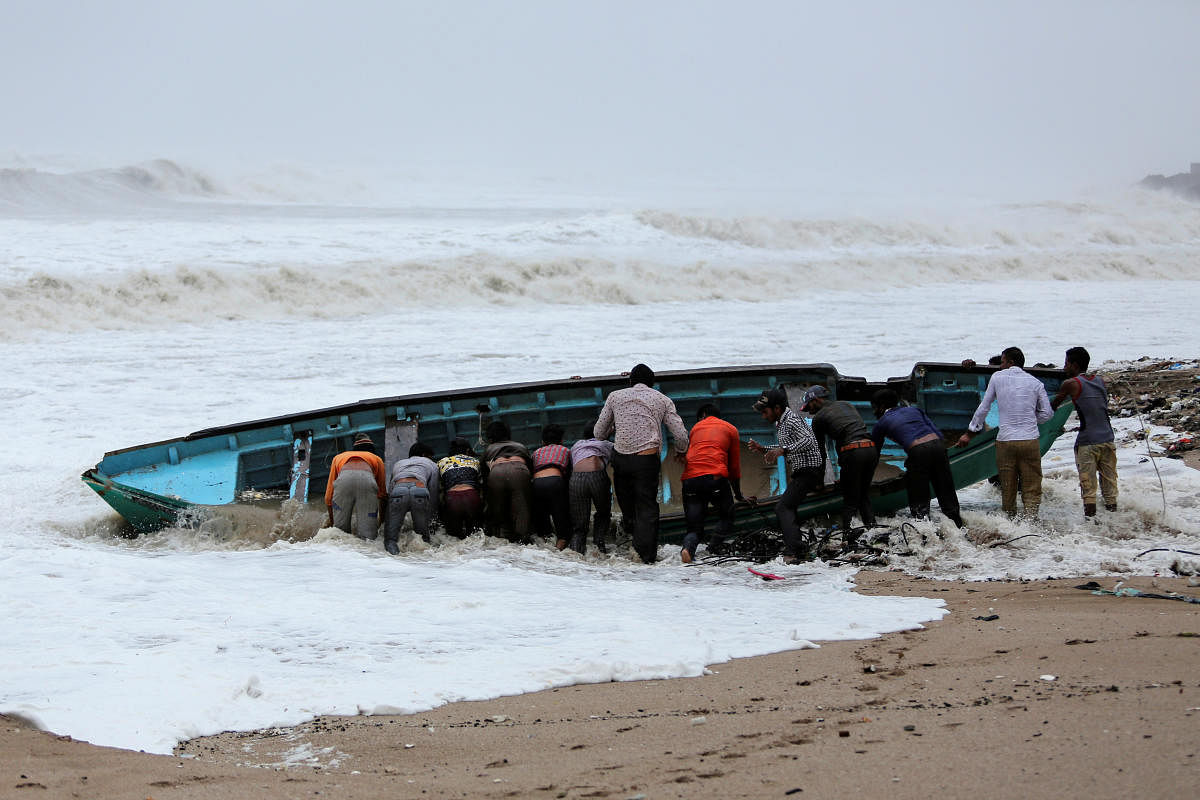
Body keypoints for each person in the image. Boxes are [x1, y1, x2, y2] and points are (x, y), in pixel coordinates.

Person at [593, 363, 689, 564]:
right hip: (646, 459)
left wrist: (613, 428)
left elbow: (599, 433)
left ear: (630, 381)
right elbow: (680, 434)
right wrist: (681, 451)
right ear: (652, 383)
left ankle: (631, 538)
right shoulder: (662, 399)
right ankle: (646, 557)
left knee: (627, 504)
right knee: (647, 507)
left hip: (620, 459)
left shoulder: (615, 396)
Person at [956, 346, 1053, 518]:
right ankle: (1031, 523)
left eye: (1002, 362)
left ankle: (1010, 522)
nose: (1000, 366)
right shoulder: (1036, 383)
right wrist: (1030, 420)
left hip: (1005, 441)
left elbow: (983, 408)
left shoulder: (997, 378)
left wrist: (969, 433)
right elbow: (1047, 413)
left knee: (1007, 488)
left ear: (1010, 362)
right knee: (1032, 487)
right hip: (1030, 441)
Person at [747, 387, 825, 563]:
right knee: (789, 507)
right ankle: (799, 549)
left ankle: (792, 552)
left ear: (777, 408)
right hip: (801, 472)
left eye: (765, 412)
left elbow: (808, 440)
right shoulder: (780, 422)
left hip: (810, 470)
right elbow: (785, 447)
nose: (763, 416)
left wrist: (782, 450)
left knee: (783, 507)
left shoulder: (791, 419)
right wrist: (763, 449)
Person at [870, 389, 963, 528]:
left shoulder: (881, 422)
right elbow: (938, 433)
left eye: (874, 408)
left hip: (918, 450)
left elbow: (874, 452)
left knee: (919, 495)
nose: (873, 412)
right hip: (939, 446)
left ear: (881, 406)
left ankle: (924, 531)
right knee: (945, 489)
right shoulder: (915, 411)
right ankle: (958, 525)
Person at [802, 385, 878, 547]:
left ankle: (848, 540)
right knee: (863, 494)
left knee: (850, 499)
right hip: (871, 449)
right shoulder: (846, 405)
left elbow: (820, 454)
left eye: (809, 406)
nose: (809, 411)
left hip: (853, 452)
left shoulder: (819, 418)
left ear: (816, 400)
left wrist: (819, 482)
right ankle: (873, 532)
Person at [1051, 346, 1118, 517]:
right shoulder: (1101, 380)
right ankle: (1114, 524)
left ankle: (1092, 528)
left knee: (1088, 490)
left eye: (1066, 364)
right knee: (1110, 490)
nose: (1064, 368)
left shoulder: (1071, 383)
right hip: (1108, 439)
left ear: (1074, 365)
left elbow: (1052, 407)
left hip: (1088, 442)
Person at [679, 404, 745, 563]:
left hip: (690, 480)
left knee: (694, 528)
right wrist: (738, 495)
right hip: (715, 479)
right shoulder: (731, 429)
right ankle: (712, 549)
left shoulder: (695, 428)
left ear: (702, 416)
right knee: (727, 516)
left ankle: (687, 550)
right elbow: (734, 468)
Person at [324, 433, 387, 542]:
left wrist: (332, 520)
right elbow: (382, 495)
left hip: (344, 479)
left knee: (339, 534)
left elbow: (329, 497)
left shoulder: (339, 457)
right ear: (371, 450)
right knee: (368, 538)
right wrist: (382, 521)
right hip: (367, 480)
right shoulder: (377, 459)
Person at [481, 420, 534, 543]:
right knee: (522, 510)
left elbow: (484, 477)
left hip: (497, 472)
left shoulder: (489, 449)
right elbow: (531, 470)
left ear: (490, 438)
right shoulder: (520, 446)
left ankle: (501, 538)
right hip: (519, 470)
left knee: (498, 509)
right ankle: (523, 539)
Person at [568, 419, 615, 555]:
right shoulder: (607, 444)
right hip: (597, 477)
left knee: (580, 525)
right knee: (603, 513)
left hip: (576, 479)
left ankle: (576, 554)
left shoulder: (577, 444)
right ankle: (599, 548)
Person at [384, 441, 440, 553]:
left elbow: (391, 489)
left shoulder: (399, 464)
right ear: (424, 455)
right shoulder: (432, 464)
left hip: (398, 491)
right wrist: (432, 517)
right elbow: (433, 491)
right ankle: (423, 562)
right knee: (422, 538)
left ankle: (394, 562)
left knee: (390, 539)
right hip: (419, 491)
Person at [531, 424, 573, 548]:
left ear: (542, 441)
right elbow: (570, 476)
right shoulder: (566, 450)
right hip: (555, 481)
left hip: (537, 484)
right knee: (561, 522)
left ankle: (544, 550)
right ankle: (560, 546)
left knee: (543, 521)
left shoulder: (536, 452)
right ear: (562, 440)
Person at [438, 437, 485, 538]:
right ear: (468, 450)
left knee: (455, 537)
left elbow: (439, 487)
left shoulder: (442, 461)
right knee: (475, 536)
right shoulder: (475, 461)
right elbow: (482, 484)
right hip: (472, 497)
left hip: (452, 499)